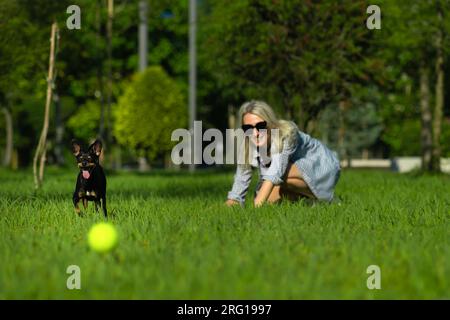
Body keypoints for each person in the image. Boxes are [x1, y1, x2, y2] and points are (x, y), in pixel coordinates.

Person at [225, 100, 340, 207]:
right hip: (288, 173)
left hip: (322, 166)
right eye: (248, 128)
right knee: (268, 200)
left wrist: (254, 209)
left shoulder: (286, 133)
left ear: (270, 124)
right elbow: (239, 186)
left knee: (276, 179)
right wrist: (231, 204)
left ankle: (327, 199)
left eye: (260, 126)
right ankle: (309, 202)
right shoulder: (247, 144)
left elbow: (276, 172)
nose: (255, 133)